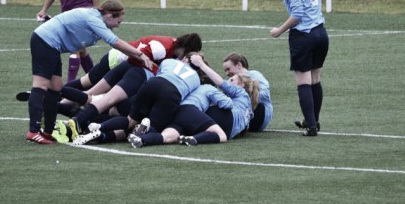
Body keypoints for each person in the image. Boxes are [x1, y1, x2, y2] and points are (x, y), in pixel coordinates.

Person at [26, 0, 154, 144]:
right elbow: (115, 42)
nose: (118, 26)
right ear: (110, 16)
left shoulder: (97, 18)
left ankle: (47, 132)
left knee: (56, 87)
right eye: (118, 22)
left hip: (52, 46)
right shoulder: (94, 19)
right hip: (45, 41)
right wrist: (140, 54)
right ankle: (33, 131)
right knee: (40, 85)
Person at [56, 34, 203, 137]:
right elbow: (141, 54)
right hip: (132, 68)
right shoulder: (164, 49)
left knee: (92, 95)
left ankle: (52, 102)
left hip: (126, 64)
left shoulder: (168, 47)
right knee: (106, 101)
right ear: (185, 48)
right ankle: (75, 122)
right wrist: (151, 66)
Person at [128, 53, 257, 148]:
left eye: (232, 79)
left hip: (181, 110)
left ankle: (142, 138)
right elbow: (227, 105)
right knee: (220, 135)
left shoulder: (237, 93)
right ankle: (193, 138)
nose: (228, 79)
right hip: (192, 113)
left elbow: (222, 86)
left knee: (167, 137)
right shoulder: (248, 113)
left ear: (241, 85)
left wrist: (201, 64)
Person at [72, 55, 201, 145]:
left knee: (129, 120)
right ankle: (143, 131)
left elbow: (159, 74)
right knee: (155, 128)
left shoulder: (169, 61)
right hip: (171, 93)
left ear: (184, 59)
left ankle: (100, 126)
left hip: (152, 84)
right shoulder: (196, 79)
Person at [269, 0, 329, 137]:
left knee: (303, 82)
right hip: (321, 33)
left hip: (304, 36)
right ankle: (313, 120)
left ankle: (311, 126)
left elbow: (297, 14)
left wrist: (279, 30)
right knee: (315, 79)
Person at [222, 52, 273, 132]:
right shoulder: (231, 81)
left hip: (259, 115)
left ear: (238, 65)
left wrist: (247, 95)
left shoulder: (254, 75)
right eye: (225, 71)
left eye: (228, 69)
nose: (227, 73)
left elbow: (266, 95)